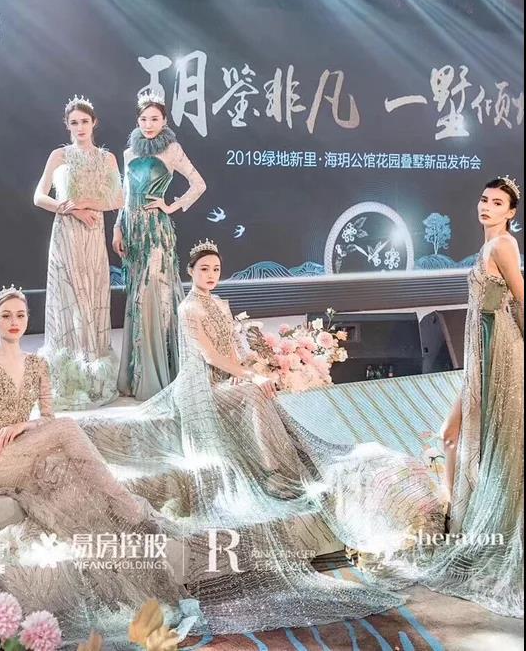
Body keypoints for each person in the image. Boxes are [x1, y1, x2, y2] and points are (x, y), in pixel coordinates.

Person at [80, 240, 445, 634]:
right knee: (254, 394)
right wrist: (249, 375)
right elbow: (208, 357)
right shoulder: (188, 309)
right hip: (200, 389)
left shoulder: (220, 304)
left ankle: (282, 467)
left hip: (228, 382)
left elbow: (233, 348)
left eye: (215, 269)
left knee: (262, 394)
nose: (211, 275)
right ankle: (273, 474)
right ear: (191, 272)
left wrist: (253, 368)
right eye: (204, 269)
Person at [0, 287, 198, 643]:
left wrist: (23, 425)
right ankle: (126, 503)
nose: (14, 322)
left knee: (69, 463)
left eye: (20, 315)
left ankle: (116, 527)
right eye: (6, 316)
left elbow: (47, 418)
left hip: (23, 451)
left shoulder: (37, 365)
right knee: (70, 429)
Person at [430, 176, 524, 617]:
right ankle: (458, 524)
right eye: (484, 200)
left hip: (499, 355)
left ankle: (479, 532)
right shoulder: (487, 247)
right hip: (480, 356)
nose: (487, 206)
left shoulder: (503, 245)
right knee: (451, 435)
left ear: (511, 213)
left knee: (499, 449)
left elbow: (521, 300)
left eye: (497, 203)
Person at [113, 94, 206, 402]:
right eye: (143, 119)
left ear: (164, 121)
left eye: (154, 119)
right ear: (137, 121)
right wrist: (117, 228)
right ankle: (139, 374)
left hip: (156, 232)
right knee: (137, 299)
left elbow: (199, 184)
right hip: (133, 233)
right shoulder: (129, 152)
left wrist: (171, 206)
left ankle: (163, 373)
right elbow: (125, 194)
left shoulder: (172, 149)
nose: (149, 124)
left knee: (155, 295)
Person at [34, 96, 123, 409]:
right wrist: (71, 209)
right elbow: (39, 196)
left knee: (92, 299)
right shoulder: (59, 155)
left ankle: (93, 374)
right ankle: (67, 377)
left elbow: (119, 199)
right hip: (66, 235)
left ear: (94, 123)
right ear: (67, 126)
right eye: (74, 122)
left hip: (93, 235)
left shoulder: (107, 158)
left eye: (85, 121)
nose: (80, 127)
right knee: (68, 301)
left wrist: (87, 205)